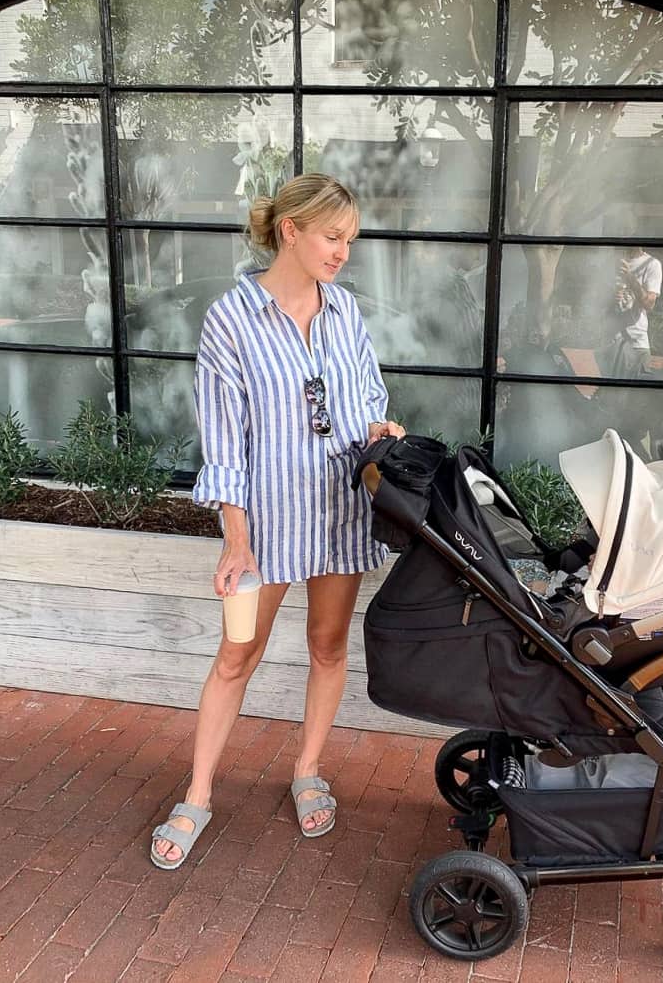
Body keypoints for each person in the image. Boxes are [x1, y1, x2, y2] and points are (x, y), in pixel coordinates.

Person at [150, 174, 404, 868]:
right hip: (264, 522)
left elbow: (365, 394)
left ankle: (307, 770)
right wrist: (236, 539)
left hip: (340, 510)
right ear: (290, 230)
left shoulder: (345, 311)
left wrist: (379, 423)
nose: (342, 252)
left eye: (349, 240)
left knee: (327, 646)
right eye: (331, 236)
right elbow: (225, 439)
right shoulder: (230, 318)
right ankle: (197, 793)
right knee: (237, 655)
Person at [596, 246, 662, 380]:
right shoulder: (610, 262)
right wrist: (611, 297)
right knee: (608, 395)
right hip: (610, 344)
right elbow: (597, 301)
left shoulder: (652, 264)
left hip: (636, 344)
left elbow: (650, 304)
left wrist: (630, 278)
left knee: (635, 396)